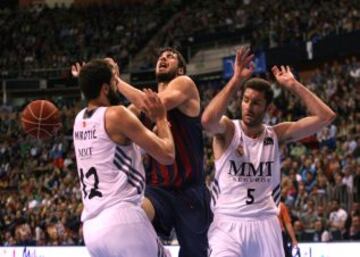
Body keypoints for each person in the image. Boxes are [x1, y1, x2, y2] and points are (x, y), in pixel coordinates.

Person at [201, 47, 336, 257]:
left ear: (267, 108)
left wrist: (293, 85)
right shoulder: (228, 130)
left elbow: (326, 117)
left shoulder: (276, 134)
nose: (248, 107)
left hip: (265, 224)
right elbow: (207, 121)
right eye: (245, 100)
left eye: (256, 103)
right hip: (227, 223)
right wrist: (236, 80)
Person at [115, 47, 212, 257]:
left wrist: (115, 80)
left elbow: (156, 104)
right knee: (134, 217)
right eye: (161, 56)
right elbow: (120, 117)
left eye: (171, 56)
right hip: (158, 190)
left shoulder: (184, 84)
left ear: (180, 70)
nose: (163, 58)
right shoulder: (140, 105)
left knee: (196, 254)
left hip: (190, 189)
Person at [73, 59, 174, 257]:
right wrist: (161, 119)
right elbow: (168, 154)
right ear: (104, 88)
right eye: (113, 84)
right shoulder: (117, 115)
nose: (116, 87)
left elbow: (114, 156)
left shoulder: (79, 120)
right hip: (122, 220)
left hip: (92, 230)